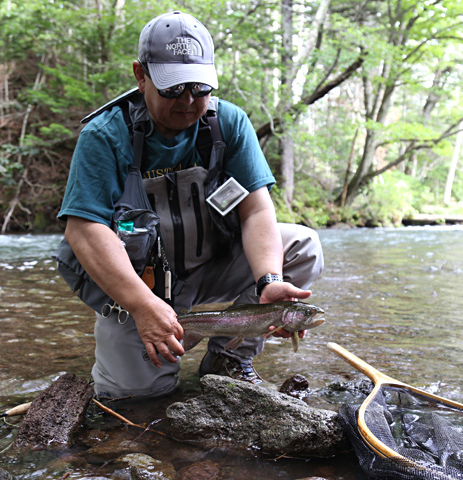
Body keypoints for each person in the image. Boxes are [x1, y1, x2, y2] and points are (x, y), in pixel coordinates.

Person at [57, 10, 324, 399]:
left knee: (302, 246)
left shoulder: (227, 124)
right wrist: (142, 305)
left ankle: (228, 360)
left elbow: (256, 210)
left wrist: (269, 280)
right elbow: (84, 230)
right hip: (138, 285)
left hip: (211, 265)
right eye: (172, 88)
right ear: (140, 75)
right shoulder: (105, 135)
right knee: (134, 398)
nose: (187, 101)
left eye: (200, 87)